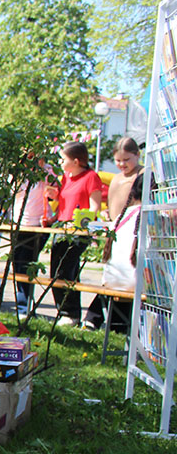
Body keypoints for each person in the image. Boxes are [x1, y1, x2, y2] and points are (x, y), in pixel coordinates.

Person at [83, 139, 144, 331]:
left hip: (132, 234)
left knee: (127, 277)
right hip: (118, 231)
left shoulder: (142, 175)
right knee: (115, 276)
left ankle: (106, 321)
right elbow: (113, 205)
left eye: (126, 159)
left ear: (137, 155)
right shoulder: (117, 179)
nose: (122, 164)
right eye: (118, 160)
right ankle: (105, 320)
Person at [46, 141, 102, 326]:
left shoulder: (91, 177)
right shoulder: (65, 178)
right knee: (59, 270)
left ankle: (69, 313)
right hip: (61, 227)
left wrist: (80, 224)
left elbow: (94, 208)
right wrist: (53, 216)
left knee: (64, 270)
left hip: (78, 230)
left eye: (63, 159)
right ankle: (68, 313)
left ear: (76, 161)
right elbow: (64, 204)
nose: (60, 162)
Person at [11, 155, 56, 315]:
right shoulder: (17, 172)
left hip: (38, 224)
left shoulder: (47, 172)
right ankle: (23, 305)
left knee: (27, 263)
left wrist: (51, 192)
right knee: (17, 263)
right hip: (19, 223)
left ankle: (25, 307)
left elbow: (58, 194)